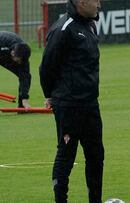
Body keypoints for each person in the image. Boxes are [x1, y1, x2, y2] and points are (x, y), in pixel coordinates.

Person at [39, 0, 103, 202]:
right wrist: (50, 94)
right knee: (66, 154)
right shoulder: (63, 29)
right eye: (95, 0)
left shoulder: (90, 25)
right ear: (82, 2)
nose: (99, 4)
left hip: (90, 104)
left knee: (96, 155)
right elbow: (46, 66)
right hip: (69, 105)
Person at [0, 31, 31, 108]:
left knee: (25, 76)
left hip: (7, 55)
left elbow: (25, 77)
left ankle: (22, 106)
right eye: (18, 61)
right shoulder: (3, 42)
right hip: (2, 50)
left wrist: (24, 98)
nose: (19, 63)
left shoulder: (23, 54)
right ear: (13, 53)